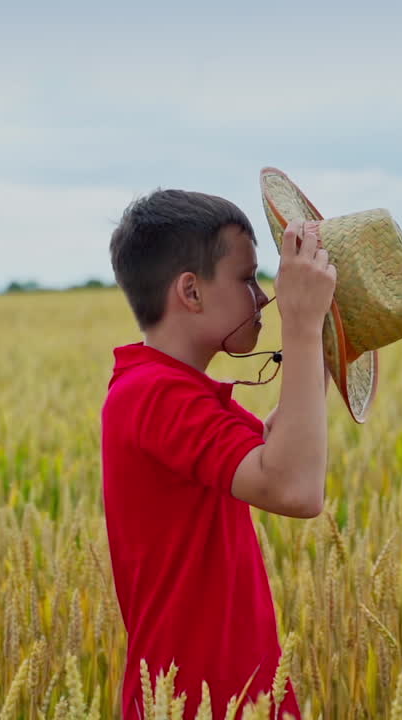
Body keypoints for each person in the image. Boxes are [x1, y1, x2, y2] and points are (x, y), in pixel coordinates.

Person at [102, 188, 335, 719]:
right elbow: (296, 489)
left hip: (233, 691)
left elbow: (282, 450)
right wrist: (299, 325)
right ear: (192, 291)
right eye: (248, 277)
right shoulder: (153, 395)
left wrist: (325, 335)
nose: (263, 298)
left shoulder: (170, 390)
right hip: (194, 700)